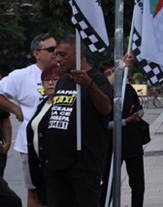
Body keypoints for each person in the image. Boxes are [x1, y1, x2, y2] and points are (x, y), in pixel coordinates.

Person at [43, 35, 114, 207]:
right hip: (57, 164)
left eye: (63, 55)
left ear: (79, 55)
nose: (58, 59)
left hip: (84, 165)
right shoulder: (63, 80)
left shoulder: (97, 79)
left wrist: (89, 85)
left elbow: (107, 109)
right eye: (56, 54)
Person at [0, 33, 57, 207]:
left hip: (59, 146)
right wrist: (15, 109)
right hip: (31, 146)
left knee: (58, 192)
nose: (55, 53)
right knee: (35, 191)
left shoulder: (66, 73)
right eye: (50, 49)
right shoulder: (22, 75)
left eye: (57, 48)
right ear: (36, 53)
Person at [99, 55, 146, 207]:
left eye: (115, 71)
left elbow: (140, 109)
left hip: (132, 144)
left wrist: (137, 115)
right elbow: (101, 124)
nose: (113, 75)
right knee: (108, 183)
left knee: (138, 184)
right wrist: (126, 121)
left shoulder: (128, 90)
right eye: (108, 73)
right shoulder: (101, 94)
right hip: (110, 146)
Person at [26, 62, 64, 206]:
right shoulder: (43, 104)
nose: (50, 83)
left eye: (55, 79)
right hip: (40, 169)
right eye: (46, 80)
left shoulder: (63, 105)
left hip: (56, 170)